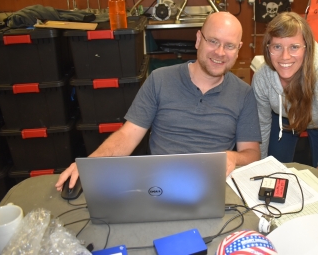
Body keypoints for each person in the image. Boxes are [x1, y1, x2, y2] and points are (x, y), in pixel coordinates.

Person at [56, 12, 262, 191]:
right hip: (158, 186)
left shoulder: (244, 94)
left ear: (238, 49)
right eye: (213, 41)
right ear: (199, 39)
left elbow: (252, 154)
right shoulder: (160, 79)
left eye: (229, 46)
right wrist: (91, 164)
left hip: (214, 186)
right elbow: (128, 136)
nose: (220, 52)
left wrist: (234, 158)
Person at [252, 12, 318, 190]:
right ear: (267, 48)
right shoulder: (262, 77)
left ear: (307, 47)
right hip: (283, 120)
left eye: (294, 47)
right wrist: (262, 164)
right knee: (274, 179)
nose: (285, 56)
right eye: (277, 47)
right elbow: (263, 124)